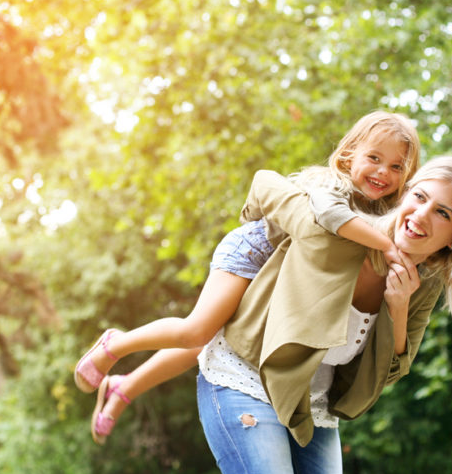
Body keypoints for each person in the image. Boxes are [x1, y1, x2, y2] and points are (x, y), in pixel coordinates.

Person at [73, 111, 421, 444]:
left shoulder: (388, 213)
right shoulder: (330, 185)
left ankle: (124, 387)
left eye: (395, 167)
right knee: (199, 330)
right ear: (348, 155)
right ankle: (114, 345)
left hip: (285, 276)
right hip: (255, 252)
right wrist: (387, 246)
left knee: (209, 344)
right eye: (374, 158)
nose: (382, 172)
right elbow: (330, 217)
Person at [196, 156, 452, 474]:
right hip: (246, 376)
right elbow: (267, 185)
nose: (421, 215)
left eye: (443, 213)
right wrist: (249, 233)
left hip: (313, 407)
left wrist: (398, 308)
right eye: (419, 197)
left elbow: (393, 371)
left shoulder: (424, 284)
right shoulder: (344, 229)